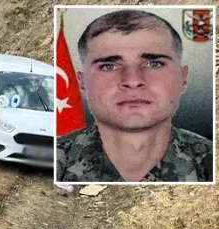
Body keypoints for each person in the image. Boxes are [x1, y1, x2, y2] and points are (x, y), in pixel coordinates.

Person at [56, 9, 212, 182]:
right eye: (109, 66)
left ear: (183, 78)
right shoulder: (50, 160)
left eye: (154, 63)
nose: (133, 81)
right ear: (82, 82)